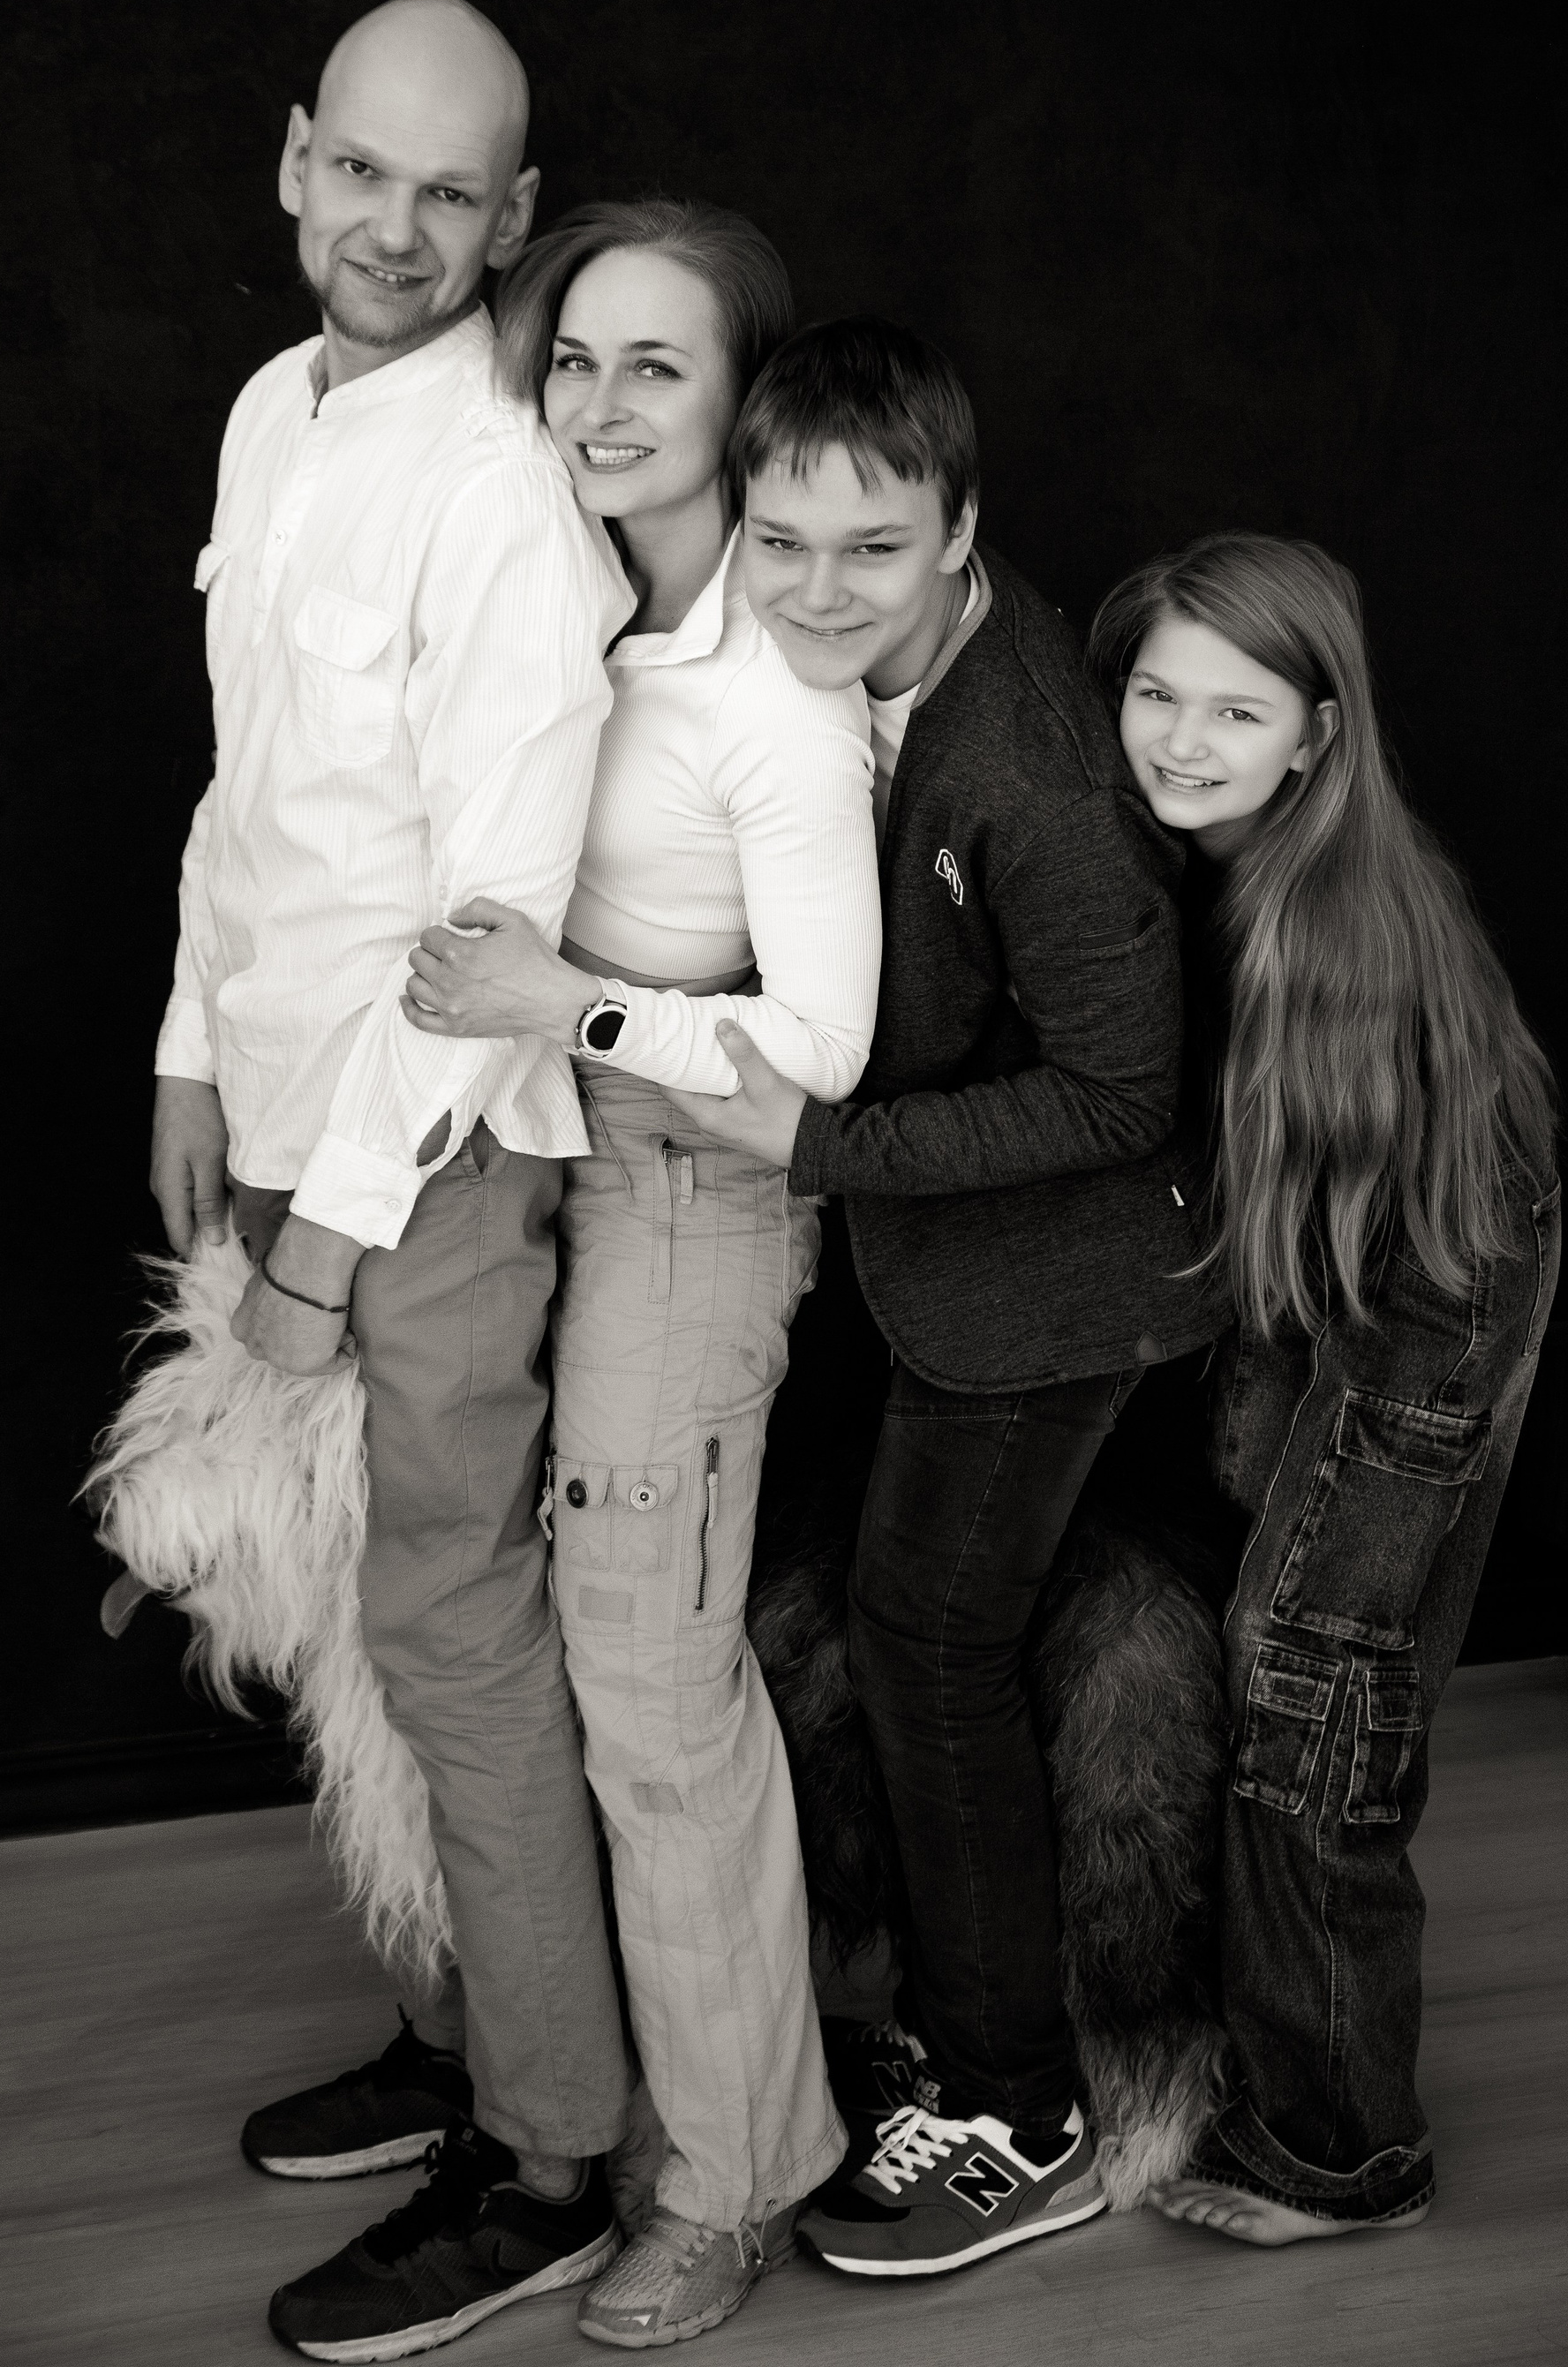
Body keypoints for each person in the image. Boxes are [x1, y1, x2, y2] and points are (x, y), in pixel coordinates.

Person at [147, 0, 646, 2358]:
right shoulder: (274, 409)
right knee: (352, 1627)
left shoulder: (505, 498)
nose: (396, 226)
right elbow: (246, 787)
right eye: (362, 171)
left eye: (452, 194)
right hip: (269, 1107)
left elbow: (487, 929)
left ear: (513, 215)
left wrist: (331, 1234)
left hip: (423, 1164)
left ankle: (547, 2161)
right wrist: (188, 1048)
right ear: (294, 162)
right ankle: (454, 2041)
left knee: (449, 1637)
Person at [674, 316, 1225, 2280]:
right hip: (955, 1273)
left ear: (962, 531)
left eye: (875, 549)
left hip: (1057, 1289)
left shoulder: (1033, 770)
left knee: (924, 1643)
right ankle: (961, 2027)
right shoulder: (842, 678)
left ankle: (1021, 2112)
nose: (819, 591)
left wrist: (816, 1146)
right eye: (782, 541)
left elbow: (1120, 1093)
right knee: (903, 1634)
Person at [397, 200, 880, 2347]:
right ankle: (535, 2092)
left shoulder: (773, 687)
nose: (598, 403)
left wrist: (567, 999)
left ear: (743, 395)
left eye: (655, 365)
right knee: (512, 1644)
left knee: (655, 1687)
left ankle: (736, 2176)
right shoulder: (573, 600)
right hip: (544, 1142)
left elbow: (822, 1052)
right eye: (575, 357)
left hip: (695, 1179)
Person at [1089, 532, 1558, 2242]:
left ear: (1317, 733)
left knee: (1317, 1694)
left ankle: (1350, 2152)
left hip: (1428, 1293)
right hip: (1334, 1269)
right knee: (1251, 1641)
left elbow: (1404, 1245)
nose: (1184, 739)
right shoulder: (1203, 860)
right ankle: (1253, 2045)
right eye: (1158, 693)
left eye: (1237, 709)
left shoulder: (1328, 921)